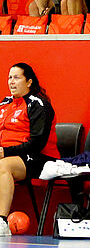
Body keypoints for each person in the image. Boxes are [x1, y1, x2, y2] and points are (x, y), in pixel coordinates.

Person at [0, 63, 54, 234]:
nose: (11, 82)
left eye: (17, 77)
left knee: (3, 166)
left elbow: (38, 143)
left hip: (38, 158)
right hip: (7, 154)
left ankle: (1, 222)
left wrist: (5, 152)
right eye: (9, 77)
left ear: (29, 82)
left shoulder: (39, 104)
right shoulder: (5, 103)